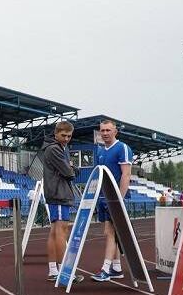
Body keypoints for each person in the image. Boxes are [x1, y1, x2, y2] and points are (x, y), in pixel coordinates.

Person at [91, 119, 133, 282]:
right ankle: (116, 268)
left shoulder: (122, 148)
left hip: (115, 198)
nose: (105, 133)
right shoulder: (101, 151)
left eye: (108, 130)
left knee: (110, 232)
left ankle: (106, 269)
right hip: (104, 197)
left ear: (115, 131)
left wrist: (119, 199)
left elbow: (126, 174)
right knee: (110, 232)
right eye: (102, 130)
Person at [40, 120, 81, 283]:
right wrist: (72, 168)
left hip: (57, 193)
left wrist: (71, 167)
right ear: (56, 133)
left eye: (69, 136)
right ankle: (65, 271)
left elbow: (69, 170)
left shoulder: (59, 148)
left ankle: (53, 270)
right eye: (63, 135)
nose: (66, 138)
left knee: (54, 231)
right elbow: (69, 173)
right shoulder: (55, 149)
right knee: (60, 230)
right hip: (58, 194)